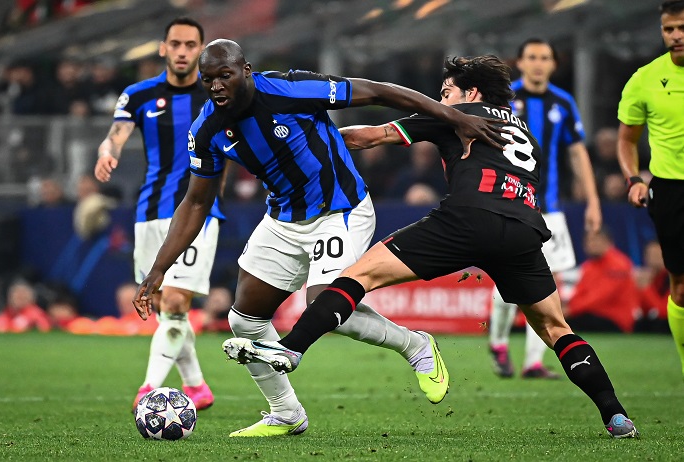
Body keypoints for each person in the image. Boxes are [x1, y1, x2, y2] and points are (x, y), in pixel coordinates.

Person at [223, 55, 639, 439]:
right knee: (555, 328)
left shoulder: (456, 116)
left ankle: (290, 349)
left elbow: (369, 137)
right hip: (524, 228)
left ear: (470, 94)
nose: (440, 101)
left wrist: (300, 143)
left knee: (354, 278)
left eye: (446, 93)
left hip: (466, 219)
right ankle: (615, 414)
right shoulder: (523, 129)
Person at [133, 39, 507, 437]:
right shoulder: (206, 129)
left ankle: (415, 345)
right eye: (208, 80)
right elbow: (195, 202)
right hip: (282, 220)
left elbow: (379, 91)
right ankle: (286, 413)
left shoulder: (290, 89)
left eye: (225, 75)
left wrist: (453, 117)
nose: (217, 86)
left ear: (246, 69)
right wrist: (159, 269)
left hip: (340, 210)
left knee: (325, 307)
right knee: (243, 320)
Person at [94, 17, 223, 412]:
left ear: (200, 50)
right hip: (150, 210)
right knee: (167, 302)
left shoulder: (217, 93)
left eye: (190, 45)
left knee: (177, 301)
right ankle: (197, 387)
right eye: (176, 44)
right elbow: (116, 134)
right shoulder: (138, 94)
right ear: (163, 48)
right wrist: (107, 151)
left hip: (200, 211)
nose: (183, 51)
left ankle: (148, 390)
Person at [487, 38, 602, 379]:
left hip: (549, 207)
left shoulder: (563, 103)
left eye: (545, 58)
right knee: (508, 276)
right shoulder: (504, 101)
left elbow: (577, 152)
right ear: (519, 62)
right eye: (532, 57)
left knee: (550, 280)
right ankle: (498, 342)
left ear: (554, 64)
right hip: (508, 203)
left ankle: (533, 362)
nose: (538, 63)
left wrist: (593, 200)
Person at [617, 0, 684, 379]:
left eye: (682, 28)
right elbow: (627, 140)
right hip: (672, 190)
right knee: (680, 285)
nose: (676, 35)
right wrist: (634, 179)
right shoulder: (645, 78)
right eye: (669, 29)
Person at [564, 228, 639, 333]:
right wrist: (569, 308)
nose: (591, 244)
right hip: (592, 315)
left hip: (614, 319)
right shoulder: (588, 266)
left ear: (609, 242)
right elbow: (579, 292)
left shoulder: (619, 265)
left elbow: (600, 296)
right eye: (588, 240)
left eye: (596, 240)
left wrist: (571, 310)